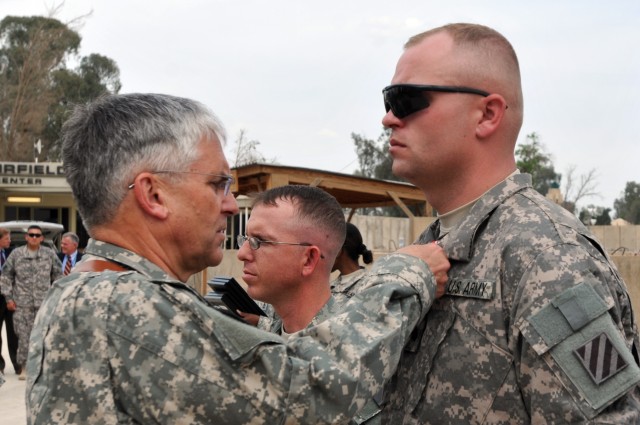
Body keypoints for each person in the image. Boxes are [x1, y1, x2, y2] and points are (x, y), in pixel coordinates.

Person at [26, 92, 450, 424]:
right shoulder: (118, 304)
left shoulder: (98, 294)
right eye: (217, 184)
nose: (230, 205)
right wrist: (405, 275)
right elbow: (306, 396)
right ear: (153, 194)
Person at [377, 22, 640, 423]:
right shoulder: (435, 244)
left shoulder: (547, 257)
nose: (389, 119)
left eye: (406, 100)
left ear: (486, 114)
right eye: (387, 101)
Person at [237, 184, 345, 335]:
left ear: (308, 260)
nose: (242, 254)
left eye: (260, 241)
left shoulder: (350, 353)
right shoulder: (266, 340)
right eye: (246, 239)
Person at [0, 224, 62, 381]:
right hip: (22, 304)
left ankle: (43, 367)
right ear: (26, 237)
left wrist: (56, 297)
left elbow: (58, 276)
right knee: (23, 336)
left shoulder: (49, 254)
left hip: (44, 303)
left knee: (45, 335)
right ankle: (24, 368)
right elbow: (6, 276)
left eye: (37, 235)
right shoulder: (16, 254)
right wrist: (9, 298)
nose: (34, 237)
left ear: (41, 238)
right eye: (31, 235)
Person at [331, 222, 374, 305]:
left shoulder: (369, 287)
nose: (323, 255)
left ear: (339, 250)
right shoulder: (331, 287)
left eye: (327, 249)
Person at [0, 227, 20, 376]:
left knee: (13, 332)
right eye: (7, 238)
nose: (10, 241)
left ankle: (17, 364)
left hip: (11, 297)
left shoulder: (11, 254)